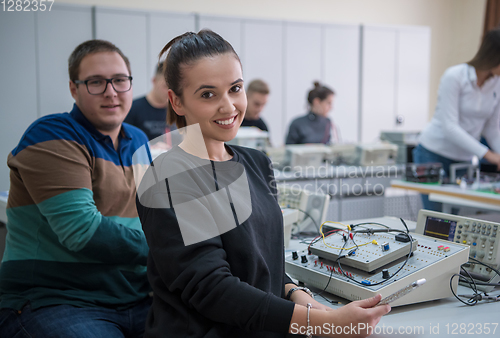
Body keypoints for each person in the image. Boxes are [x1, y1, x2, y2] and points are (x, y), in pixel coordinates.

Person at [136, 30, 390, 338]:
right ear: (176, 101)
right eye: (208, 94)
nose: (228, 106)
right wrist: (322, 326)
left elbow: (262, 260)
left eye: (235, 88)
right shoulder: (168, 176)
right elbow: (213, 289)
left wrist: (300, 296)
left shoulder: (256, 162)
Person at [0, 40, 151, 337]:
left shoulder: (139, 140)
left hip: (134, 297)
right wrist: (167, 246)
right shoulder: (52, 134)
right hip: (56, 300)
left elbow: (155, 217)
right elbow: (83, 232)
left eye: (120, 81)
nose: (111, 92)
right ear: (74, 89)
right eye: (96, 82)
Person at [414, 28, 500, 211]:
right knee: (434, 220)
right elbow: (449, 127)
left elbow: (493, 129)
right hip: (432, 154)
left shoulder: (497, 84)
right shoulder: (455, 76)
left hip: (464, 159)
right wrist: (489, 155)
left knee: (455, 223)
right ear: (494, 55)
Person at [125, 63, 176, 141]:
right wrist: (150, 148)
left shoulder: (179, 110)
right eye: (166, 86)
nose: (170, 92)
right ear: (154, 81)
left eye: (174, 87)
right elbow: (126, 143)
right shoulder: (133, 109)